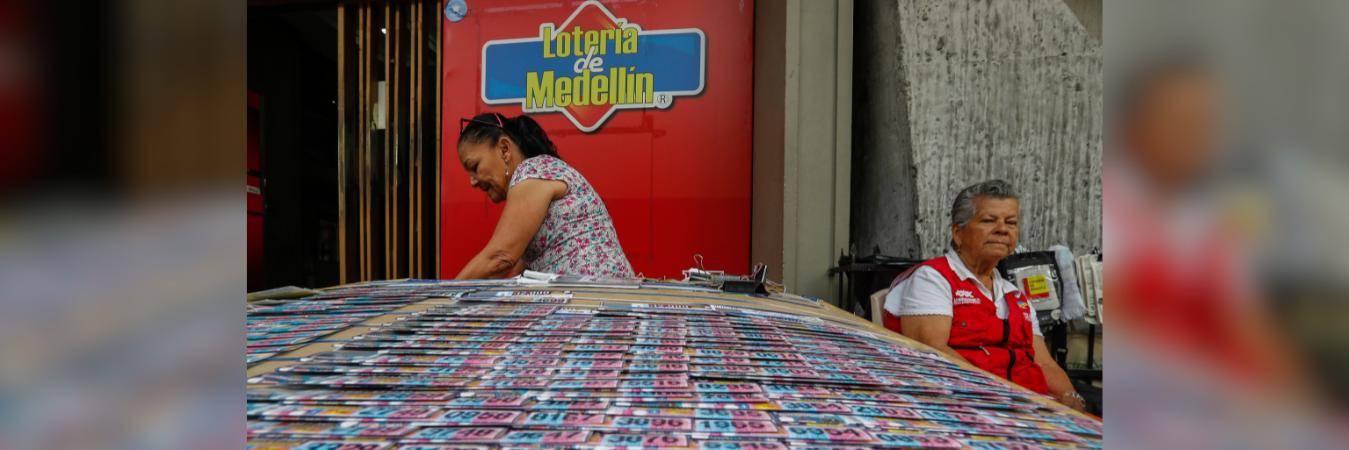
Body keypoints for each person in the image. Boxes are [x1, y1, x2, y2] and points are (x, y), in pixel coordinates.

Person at [881, 180, 1085, 411]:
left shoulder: (1014, 295)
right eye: (989, 220)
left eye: (1011, 222)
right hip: (972, 407)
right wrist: (1007, 399)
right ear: (958, 233)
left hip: (1031, 407)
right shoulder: (933, 278)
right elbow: (932, 354)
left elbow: (1045, 363)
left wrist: (1073, 400)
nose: (1002, 229)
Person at [453, 112, 634, 279]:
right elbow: (516, 272)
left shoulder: (532, 172)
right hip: (598, 295)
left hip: (593, 297)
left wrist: (446, 295)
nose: (473, 181)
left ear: (504, 149)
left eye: (475, 166)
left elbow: (500, 257)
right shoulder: (539, 174)